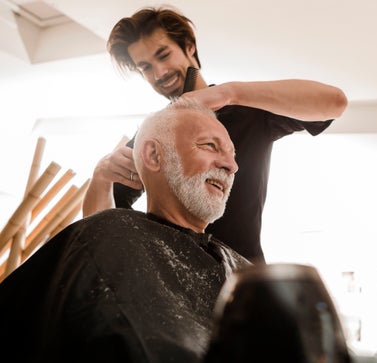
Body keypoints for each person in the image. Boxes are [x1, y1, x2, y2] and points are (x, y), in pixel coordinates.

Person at [82, 6, 348, 264]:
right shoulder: (152, 135)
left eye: (163, 55)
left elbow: (334, 103)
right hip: (170, 285)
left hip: (242, 281)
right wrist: (101, 176)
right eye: (146, 67)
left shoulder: (246, 110)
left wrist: (231, 93)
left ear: (189, 46)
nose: (159, 73)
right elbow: (102, 229)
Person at [0, 99, 251, 363]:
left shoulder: (242, 270)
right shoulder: (112, 236)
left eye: (233, 155)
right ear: (154, 155)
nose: (231, 165)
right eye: (210, 146)